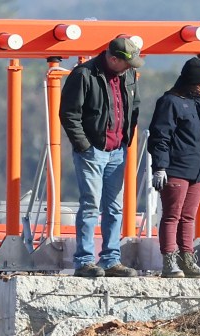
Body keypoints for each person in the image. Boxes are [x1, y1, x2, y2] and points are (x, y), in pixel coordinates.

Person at [59, 36, 142, 279]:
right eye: (127, 63)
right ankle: (84, 260)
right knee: (90, 205)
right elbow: (68, 113)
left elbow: (133, 108)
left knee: (114, 207)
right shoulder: (83, 75)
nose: (130, 68)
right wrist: (84, 146)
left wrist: (126, 138)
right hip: (92, 151)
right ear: (113, 58)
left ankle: (111, 259)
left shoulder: (127, 76)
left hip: (117, 150)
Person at [147, 57, 200, 279]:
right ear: (191, 82)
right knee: (171, 215)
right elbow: (160, 137)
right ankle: (169, 261)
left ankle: (187, 259)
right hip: (176, 168)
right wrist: (160, 167)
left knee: (188, 217)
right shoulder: (170, 102)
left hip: (197, 171)